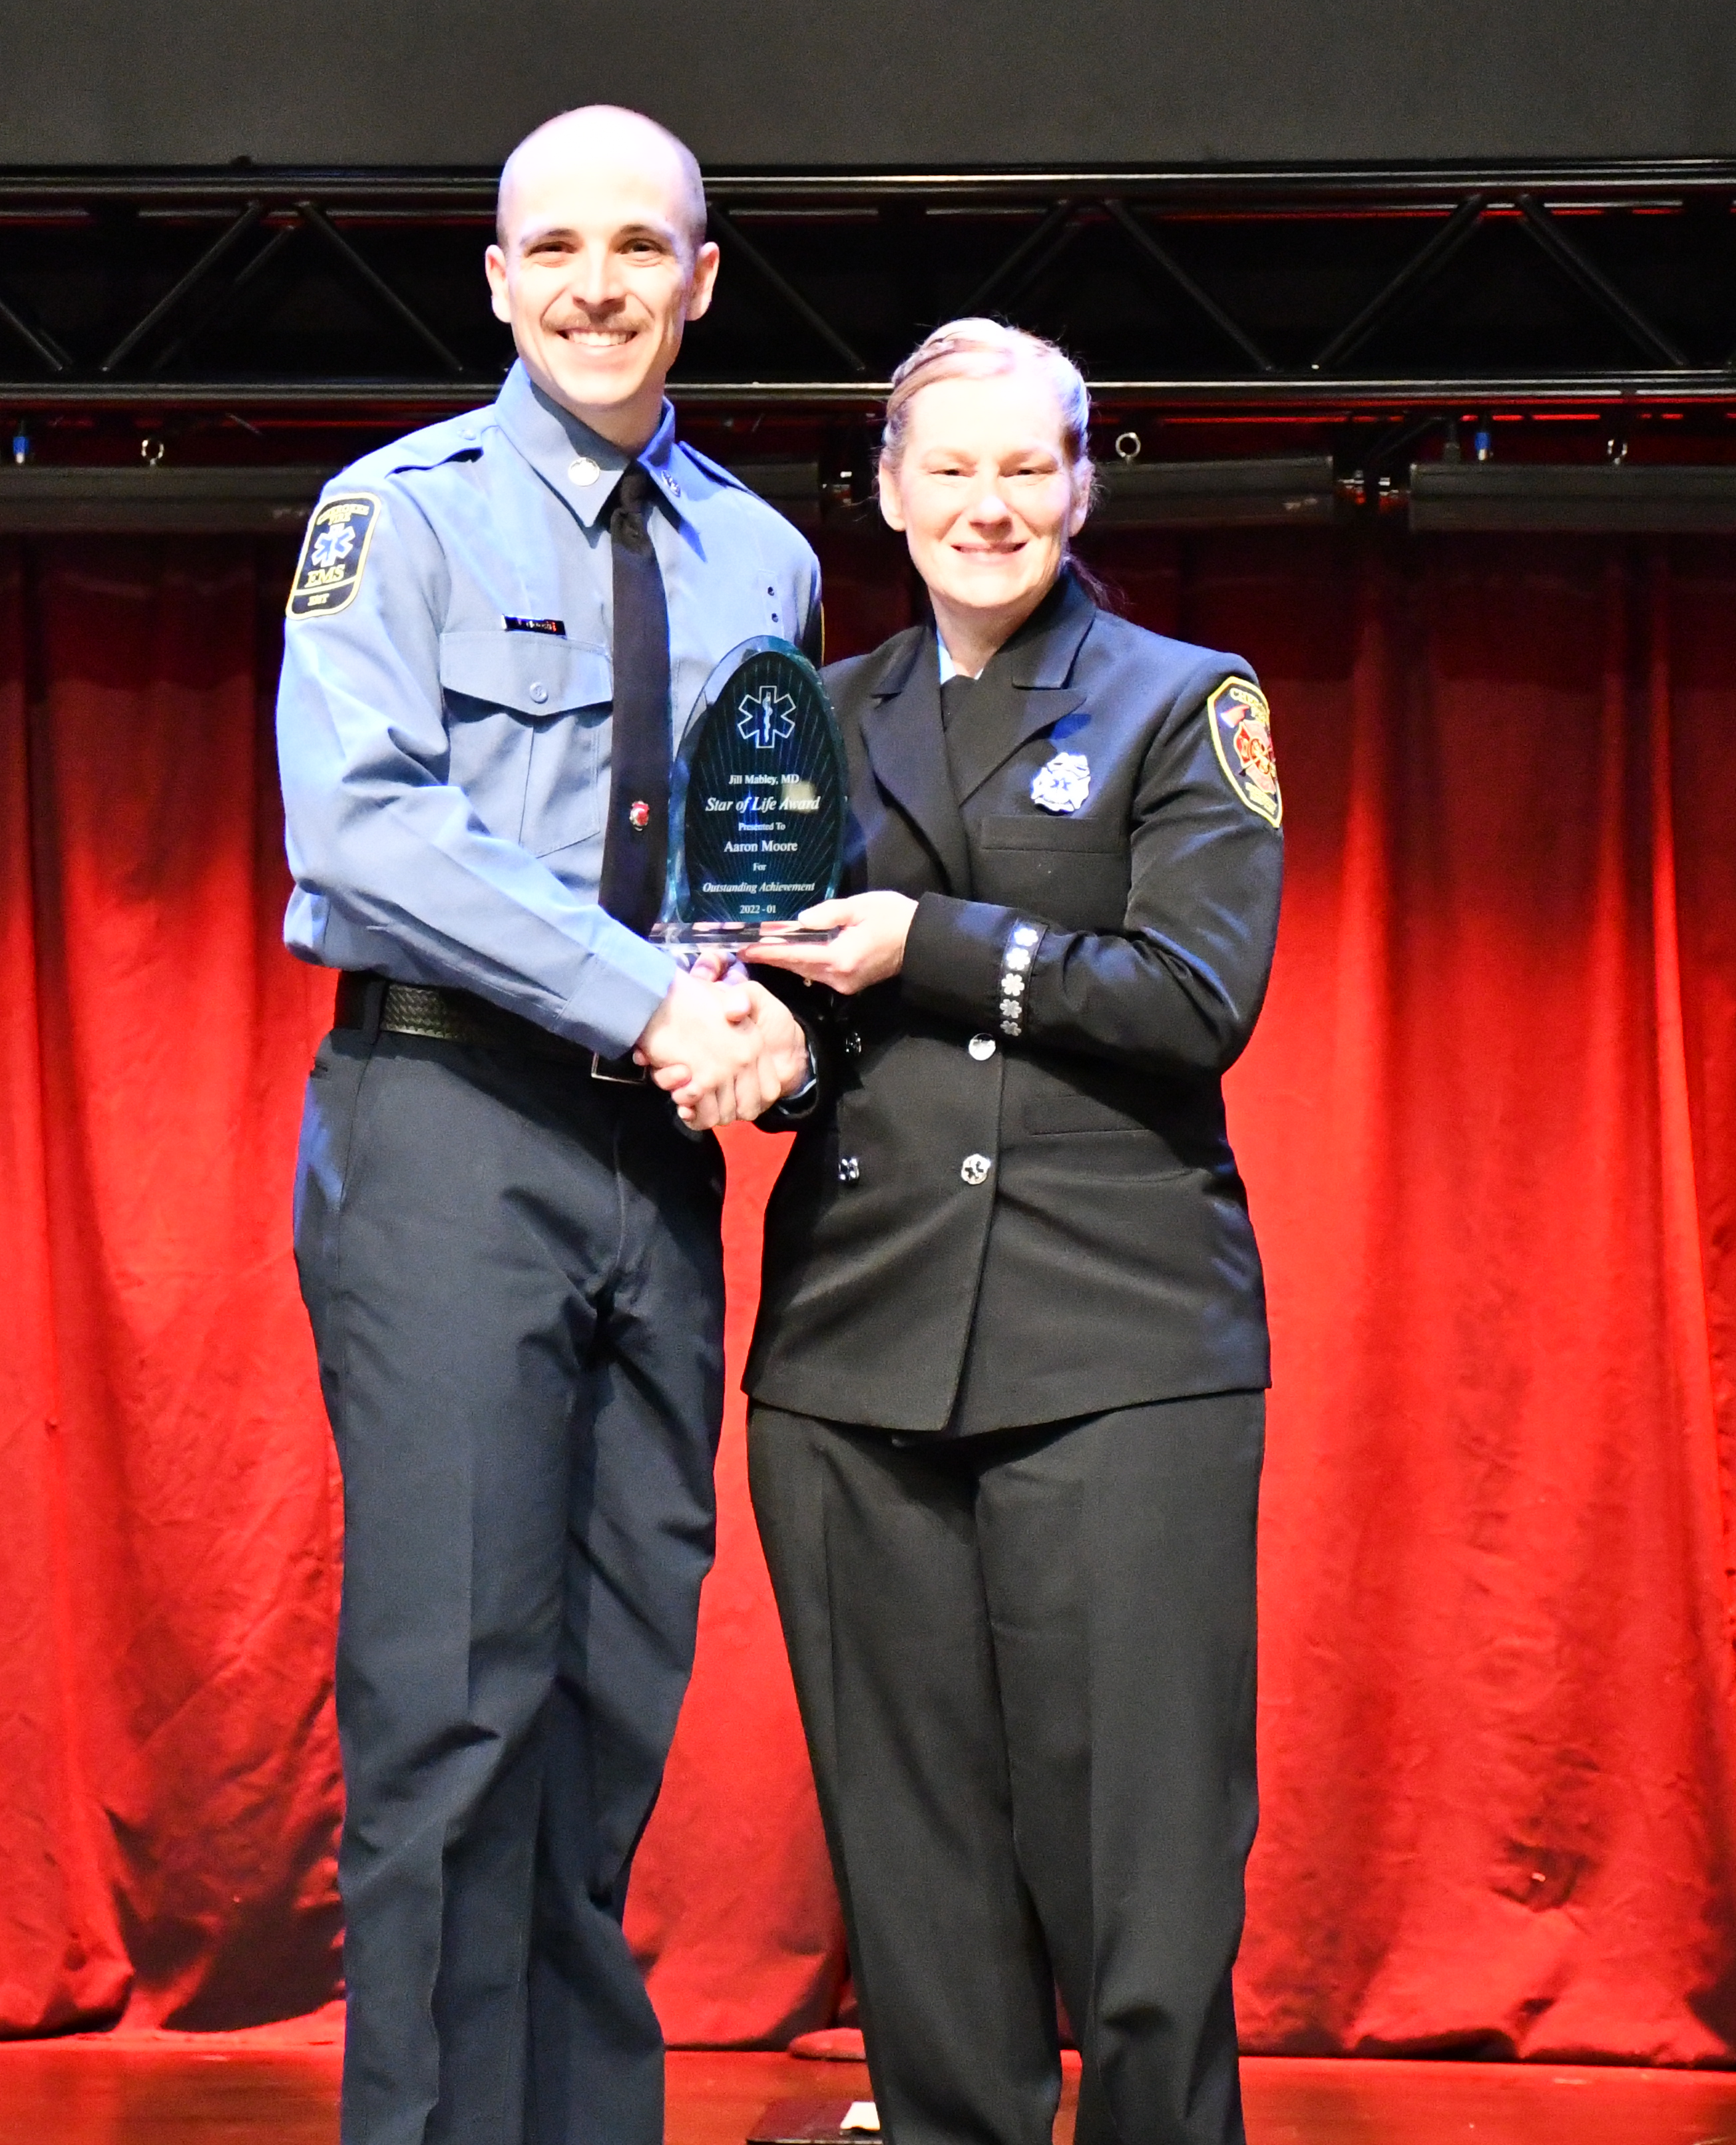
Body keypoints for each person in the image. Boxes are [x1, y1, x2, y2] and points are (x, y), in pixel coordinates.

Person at [278, 105, 821, 2145]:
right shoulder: (397, 515)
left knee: (606, 1706)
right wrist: (660, 996)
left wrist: (753, 1003)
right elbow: (363, 826)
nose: (597, 283)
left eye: (639, 246)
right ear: (498, 282)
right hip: (446, 1126)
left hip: (653, 1168)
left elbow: (756, 858)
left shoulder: (763, 552)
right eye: (555, 248)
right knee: (453, 1708)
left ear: (702, 281)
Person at [740, 320, 1287, 2145]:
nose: (989, 504)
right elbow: (807, 1016)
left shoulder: (1183, 699)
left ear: (1081, 484)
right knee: (918, 1880)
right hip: (855, 1343)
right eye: (948, 469)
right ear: (888, 492)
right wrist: (766, 1045)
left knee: (1141, 1876)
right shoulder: (813, 715)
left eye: (1026, 467)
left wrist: (927, 946)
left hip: (1116, 1340)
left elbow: (1195, 998)